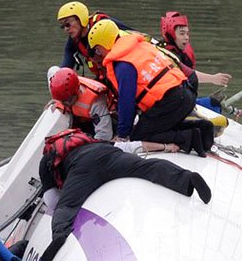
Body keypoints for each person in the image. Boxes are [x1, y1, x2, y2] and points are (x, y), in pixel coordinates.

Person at [37, 128, 212, 261]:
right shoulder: (91, 140)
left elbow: (52, 200)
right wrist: (164, 147)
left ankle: (59, 236)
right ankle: (187, 179)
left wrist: (70, 196)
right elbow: (129, 147)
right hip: (109, 154)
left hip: (81, 169)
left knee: (66, 206)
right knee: (147, 167)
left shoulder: (47, 160)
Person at [88, 19, 214, 157]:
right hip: (186, 92)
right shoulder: (140, 46)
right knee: (154, 126)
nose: (98, 54)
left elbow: (127, 102)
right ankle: (202, 128)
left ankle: (188, 137)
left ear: (106, 43)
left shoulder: (123, 64)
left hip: (172, 101)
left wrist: (122, 135)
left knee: (139, 135)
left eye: (98, 49)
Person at [48, 66, 182, 154]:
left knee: (114, 144)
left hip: (111, 123)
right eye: (62, 100)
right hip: (85, 119)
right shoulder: (61, 87)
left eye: (68, 100)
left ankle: (170, 144)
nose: (65, 103)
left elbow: (104, 136)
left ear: (76, 91)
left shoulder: (95, 102)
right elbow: (53, 72)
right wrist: (57, 102)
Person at [160, 11, 242, 118]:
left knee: (213, 103)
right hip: (169, 106)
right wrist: (213, 78)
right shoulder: (165, 56)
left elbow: (189, 74)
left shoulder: (177, 53)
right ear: (171, 35)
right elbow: (188, 74)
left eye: (187, 33)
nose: (187, 37)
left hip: (181, 101)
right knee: (212, 106)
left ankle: (234, 112)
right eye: (182, 33)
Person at [57, 1, 134, 80]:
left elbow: (133, 35)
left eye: (67, 24)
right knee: (56, 72)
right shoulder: (74, 40)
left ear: (80, 19)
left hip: (123, 72)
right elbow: (66, 64)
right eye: (62, 26)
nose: (66, 29)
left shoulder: (103, 25)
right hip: (103, 77)